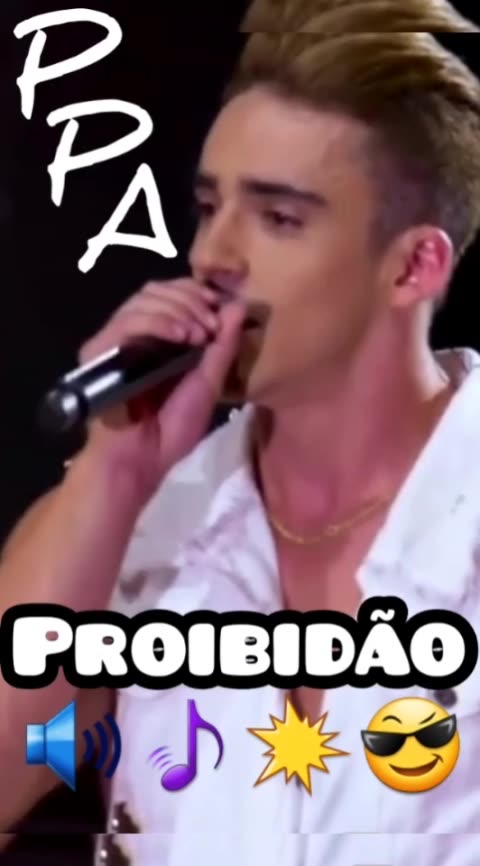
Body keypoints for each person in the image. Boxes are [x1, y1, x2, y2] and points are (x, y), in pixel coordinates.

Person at [1, 0, 480, 863]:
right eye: (209, 206)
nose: (212, 256)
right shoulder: (143, 525)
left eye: (279, 218)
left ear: (414, 265)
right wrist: (113, 470)